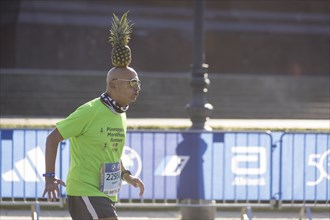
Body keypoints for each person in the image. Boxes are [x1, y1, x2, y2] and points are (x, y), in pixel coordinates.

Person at [42, 66, 144, 220]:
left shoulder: (120, 114)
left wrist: (126, 175)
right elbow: (52, 138)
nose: (137, 87)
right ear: (113, 84)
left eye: (138, 83)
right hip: (85, 191)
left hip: (106, 194)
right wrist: (49, 176)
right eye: (132, 82)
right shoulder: (89, 111)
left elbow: (112, 152)